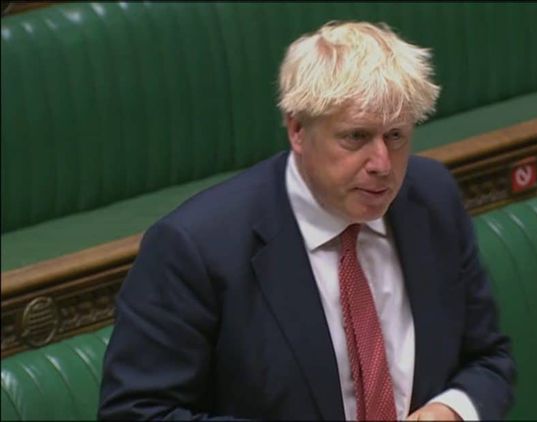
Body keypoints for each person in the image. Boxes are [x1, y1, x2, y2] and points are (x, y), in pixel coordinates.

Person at [99, 20, 515, 421]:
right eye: (356, 137)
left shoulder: (432, 197)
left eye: (395, 136)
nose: (382, 165)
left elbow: (488, 357)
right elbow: (136, 413)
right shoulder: (195, 248)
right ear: (298, 130)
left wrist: (454, 410)